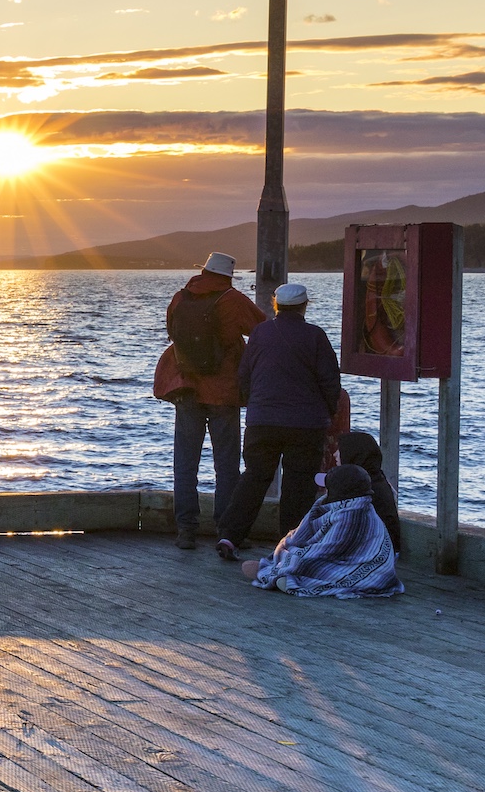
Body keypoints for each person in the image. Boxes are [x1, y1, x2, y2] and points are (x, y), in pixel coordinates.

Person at [215, 282, 342, 560]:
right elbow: (330, 380)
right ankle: (290, 545)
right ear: (304, 306)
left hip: (262, 421)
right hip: (305, 424)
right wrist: (329, 411)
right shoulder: (315, 336)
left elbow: (244, 375)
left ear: (276, 305)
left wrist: (254, 404)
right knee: (299, 484)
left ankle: (230, 535)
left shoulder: (260, 333)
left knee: (254, 477)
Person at [152, 251, 267, 550]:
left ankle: (186, 531)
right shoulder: (232, 300)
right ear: (228, 276)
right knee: (226, 467)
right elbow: (263, 330)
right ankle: (226, 530)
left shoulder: (180, 298)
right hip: (223, 391)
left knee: (185, 464)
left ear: (203, 271)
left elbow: (171, 332)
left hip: (186, 387)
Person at [238, 464, 403, 599]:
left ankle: (278, 574)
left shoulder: (352, 516)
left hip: (367, 569)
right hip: (348, 560)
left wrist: (290, 561)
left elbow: (327, 550)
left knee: (310, 565)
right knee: (297, 553)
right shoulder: (349, 508)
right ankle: (280, 571)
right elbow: (307, 539)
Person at [335, 429, 404, 552]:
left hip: (373, 552)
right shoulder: (378, 480)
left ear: (352, 454)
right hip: (386, 550)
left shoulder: (360, 489)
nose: (334, 454)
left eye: (340, 450)